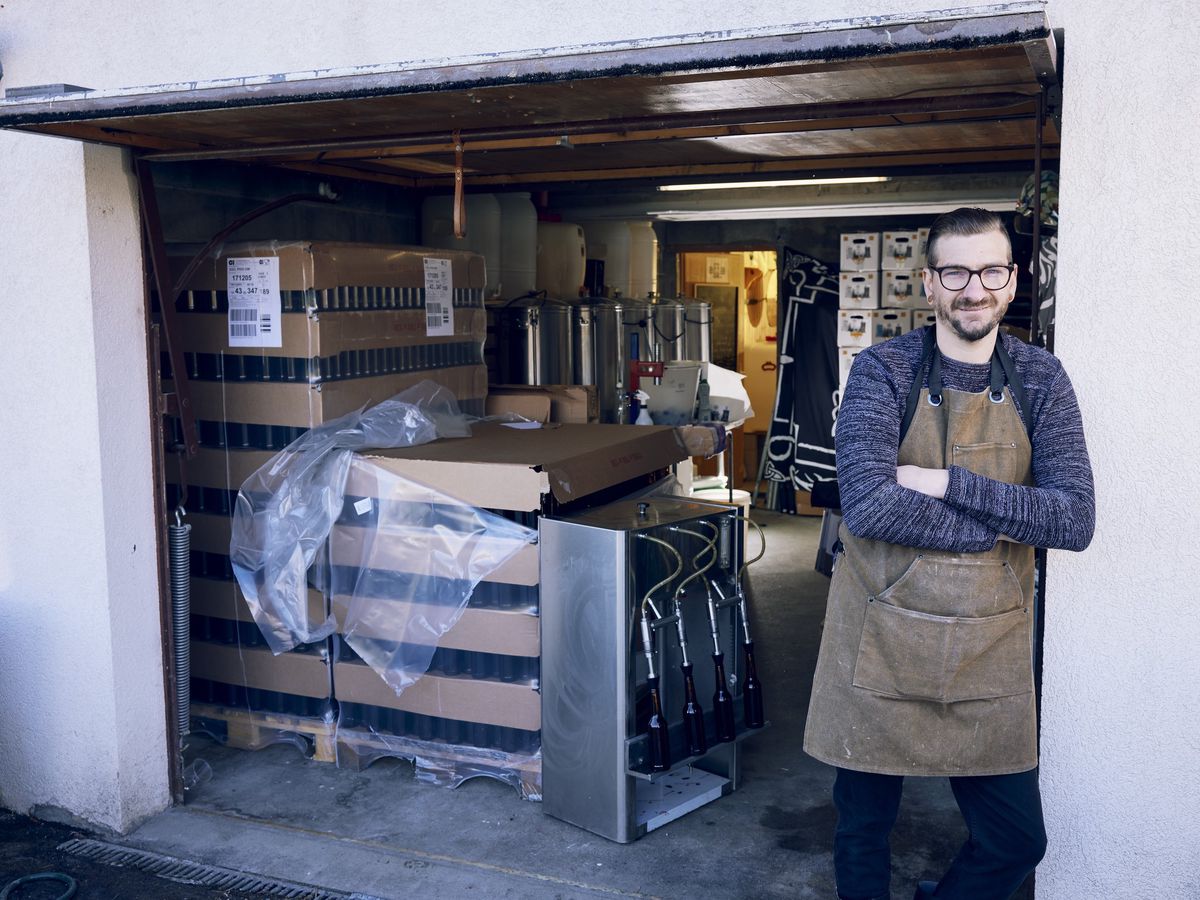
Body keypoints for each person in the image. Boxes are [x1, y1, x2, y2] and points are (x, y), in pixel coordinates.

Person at [804, 208, 1095, 900]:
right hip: (880, 638)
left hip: (986, 647)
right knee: (863, 834)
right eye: (957, 272)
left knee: (1018, 841)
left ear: (1013, 280)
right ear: (930, 282)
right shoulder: (883, 371)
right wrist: (998, 526)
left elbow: (1075, 519)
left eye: (991, 270)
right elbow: (871, 504)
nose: (974, 289)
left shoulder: (1041, 379)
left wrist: (942, 483)